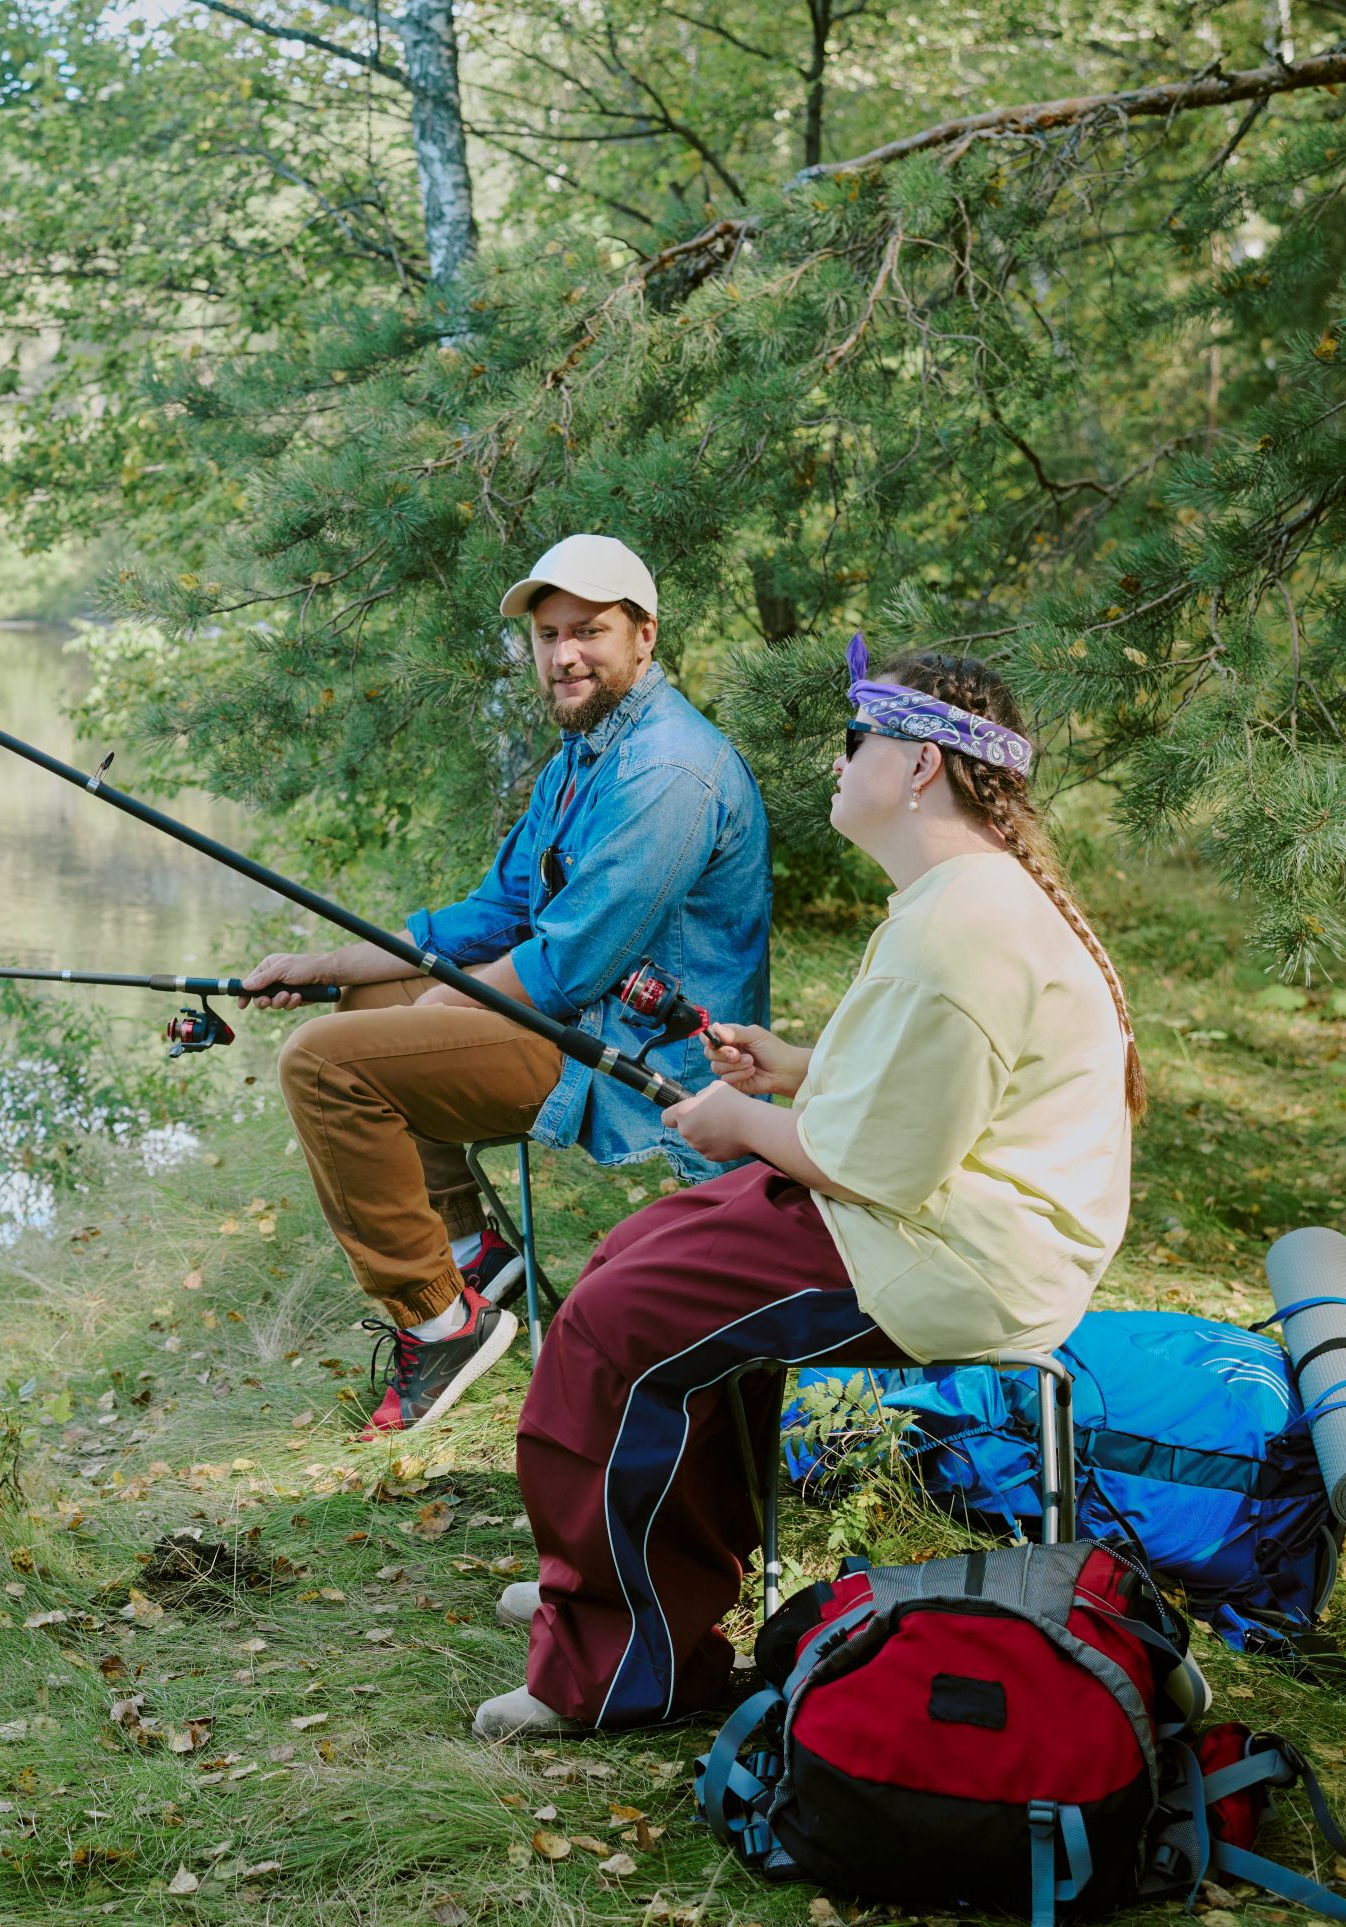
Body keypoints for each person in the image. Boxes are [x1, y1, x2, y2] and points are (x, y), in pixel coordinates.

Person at [475, 640, 1147, 1739]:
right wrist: (794, 1068)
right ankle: (631, 1571)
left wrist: (741, 1122)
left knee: (612, 1323)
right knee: (628, 1264)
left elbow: (878, 1162)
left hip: (953, 1258)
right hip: (922, 1220)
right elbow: (920, 1096)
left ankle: (620, 1665)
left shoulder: (966, 923)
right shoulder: (957, 899)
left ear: (921, 765)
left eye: (856, 742)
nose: (836, 764)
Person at [243, 534, 771, 1437]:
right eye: (547, 634)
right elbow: (494, 913)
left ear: (645, 636)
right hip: (574, 1025)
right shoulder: (585, 756)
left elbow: (567, 964)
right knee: (364, 1010)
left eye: (589, 632)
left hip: (628, 1060)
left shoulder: (670, 770)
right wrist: (327, 969)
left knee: (326, 1066)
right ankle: (470, 1253)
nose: (563, 654)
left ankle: (441, 1323)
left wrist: (430, 1013)